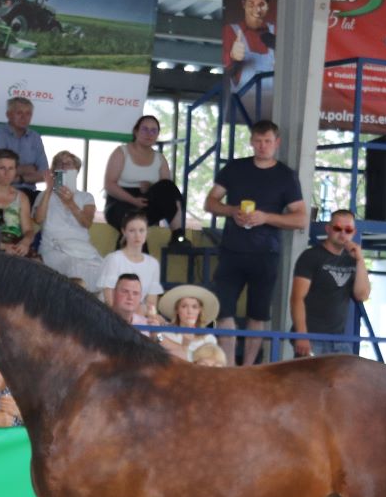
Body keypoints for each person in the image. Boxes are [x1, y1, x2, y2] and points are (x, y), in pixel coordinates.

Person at [204, 120, 307, 366]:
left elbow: (301, 218)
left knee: (258, 313)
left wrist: (266, 217)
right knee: (224, 310)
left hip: (265, 254)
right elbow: (210, 202)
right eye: (258, 141)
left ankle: (249, 369)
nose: (262, 146)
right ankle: (228, 367)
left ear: (276, 143)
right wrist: (231, 210)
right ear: (251, 141)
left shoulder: (286, 176)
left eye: (267, 141)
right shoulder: (235, 169)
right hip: (232, 250)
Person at [290, 209, 371, 357]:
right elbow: (297, 298)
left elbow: (362, 294)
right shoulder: (311, 256)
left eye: (348, 230)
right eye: (337, 228)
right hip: (312, 337)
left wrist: (360, 260)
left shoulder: (352, 259)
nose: (343, 233)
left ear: (354, 232)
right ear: (328, 229)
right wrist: (301, 335)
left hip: (339, 340)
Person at [102, 115, 185, 240]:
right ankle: (129, 251)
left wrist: (150, 187)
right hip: (119, 203)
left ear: (157, 134)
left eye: (153, 130)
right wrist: (133, 200)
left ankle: (177, 235)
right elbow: (109, 185)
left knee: (168, 187)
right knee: (134, 226)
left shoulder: (160, 158)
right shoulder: (121, 152)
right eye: (145, 129)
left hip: (146, 201)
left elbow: (169, 191)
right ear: (136, 131)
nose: (149, 134)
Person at [35, 150, 103, 286]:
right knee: (75, 269)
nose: (64, 166)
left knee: (103, 270)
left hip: (82, 248)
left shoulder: (86, 197)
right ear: (54, 171)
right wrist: (49, 190)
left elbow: (87, 223)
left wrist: (70, 203)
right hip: (53, 248)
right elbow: (38, 219)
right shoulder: (44, 195)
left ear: (77, 170)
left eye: (69, 164)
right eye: (60, 163)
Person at [223, 0, 275, 119]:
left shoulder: (276, 33)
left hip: (273, 114)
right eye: (251, 4)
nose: (257, 10)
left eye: (261, 4)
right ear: (243, 4)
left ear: (267, 7)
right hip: (242, 114)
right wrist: (233, 57)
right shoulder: (230, 32)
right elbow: (226, 72)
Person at [0, 97, 48, 202]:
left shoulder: (35, 137)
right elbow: (2, 169)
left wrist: (20, 178)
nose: (24, 117)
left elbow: (44, 174)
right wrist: (29, 169)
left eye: (28, 113)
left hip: (27, 193)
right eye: (19, 113)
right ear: (8, 115)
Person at [97, 210, 162, 308]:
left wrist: (149, 315)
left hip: (137, 314)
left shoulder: (153, 264)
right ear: (124, 231)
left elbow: (151, 302)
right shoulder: (114, 259)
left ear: (147, 232)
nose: (137, 235)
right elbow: (109, 299)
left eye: (141, 230)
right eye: (132, 231)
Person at [155, 284, 219, 362]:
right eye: (184, 306)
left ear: (200, 311)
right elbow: (157, 338)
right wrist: (155, 331)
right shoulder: (166, 333)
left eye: (194, 307)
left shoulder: (208, 339)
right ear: (177, 310)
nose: (189, 311)